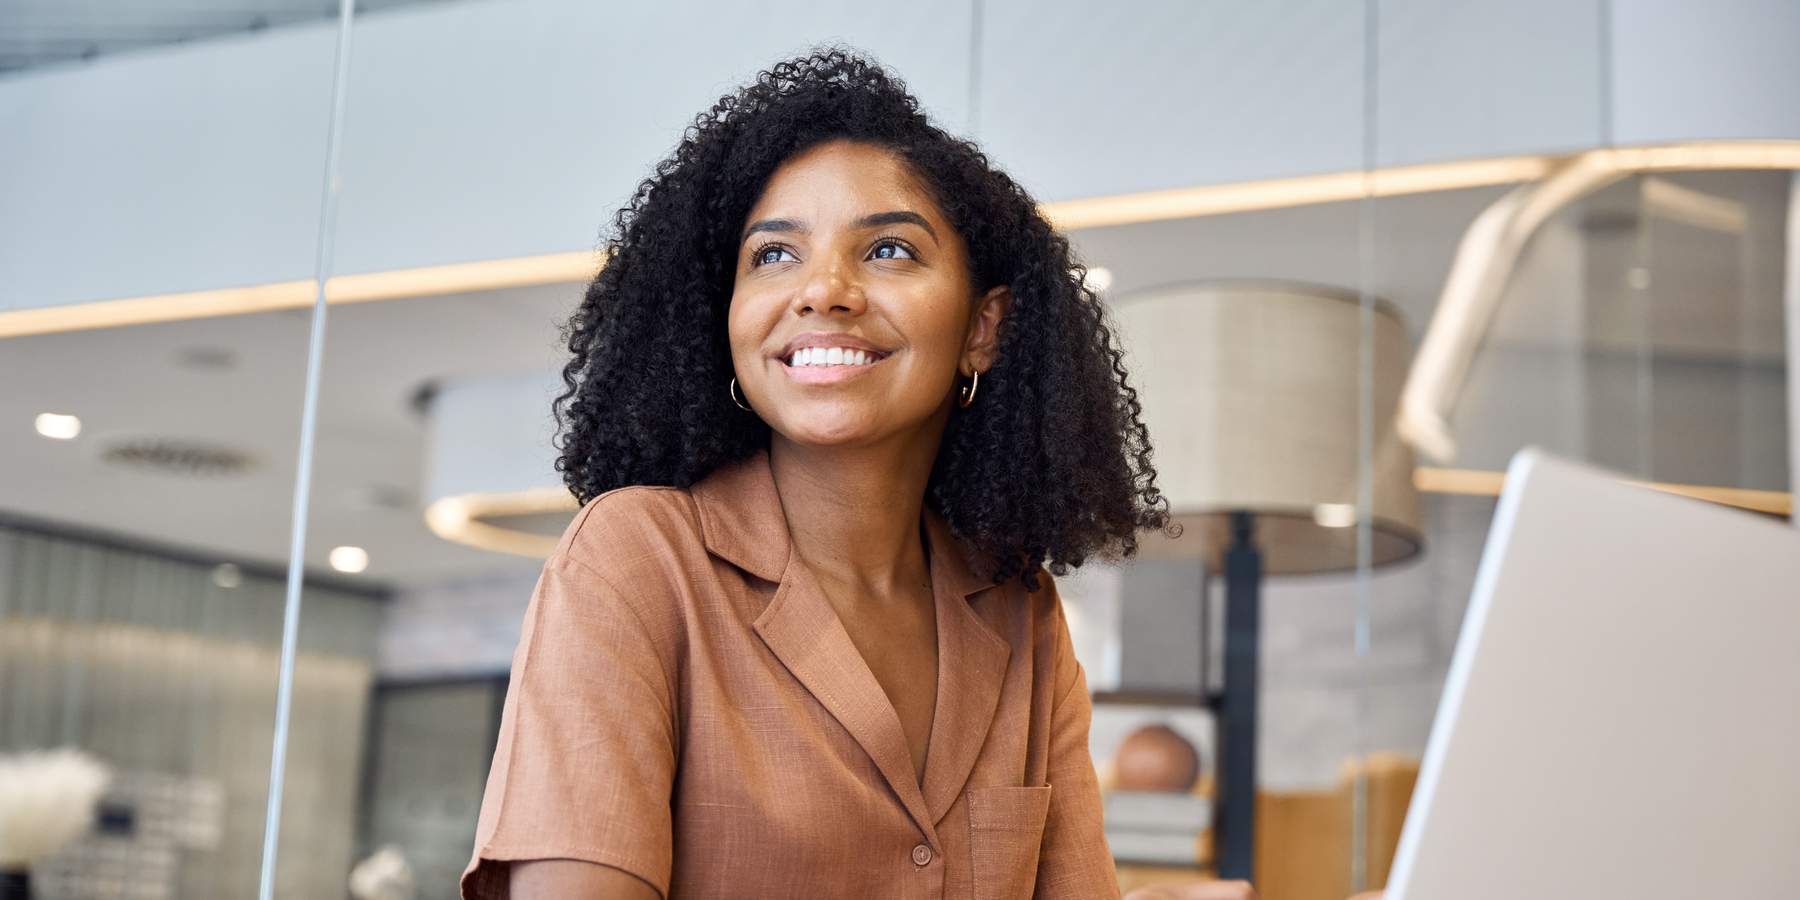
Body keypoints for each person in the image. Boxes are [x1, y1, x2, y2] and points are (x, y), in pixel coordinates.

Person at [460, 46, 1261, 900]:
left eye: (887, 251)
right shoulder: (637, 561)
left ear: (982, 329)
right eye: (773, 255)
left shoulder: (1020, 612)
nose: (823, 291)